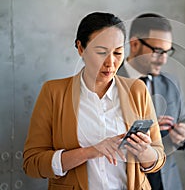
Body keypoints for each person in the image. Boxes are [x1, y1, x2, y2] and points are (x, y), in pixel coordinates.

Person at [23, 12, 166, 190]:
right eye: (101, 52)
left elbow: (158, 158)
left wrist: (144, 152)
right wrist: (90, 151)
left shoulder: (137, 90)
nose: (111, 62)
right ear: (81, 48)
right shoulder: (54, 92)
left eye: (118, 52)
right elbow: (32, 163)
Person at [117, 13, 185, 190]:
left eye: (167, 52)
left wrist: (183, 137)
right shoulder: (110, 81)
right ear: (135, 44)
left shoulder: (171, 83)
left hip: (167, 182)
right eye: (158, 51)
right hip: (125, 180)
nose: (164, 59)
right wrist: (151, 131)